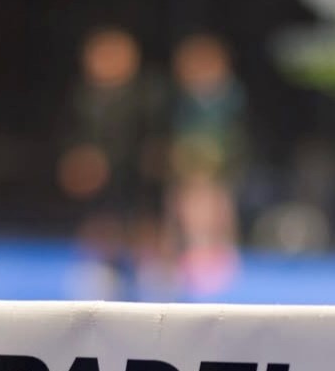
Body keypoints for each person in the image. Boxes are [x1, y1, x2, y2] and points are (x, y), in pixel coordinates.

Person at [56, 26, 167, 295]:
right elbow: (71, 136)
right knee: (101, 218)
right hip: (98, 178)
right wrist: (79, 161)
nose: (107, 62)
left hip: (138, 172)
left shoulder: (148, 94)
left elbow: (158, 136)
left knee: (145, 218)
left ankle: (150, 267)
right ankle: (102, 265)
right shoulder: (82, 97)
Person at [163, 33, 248, 291]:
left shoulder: (231, 96)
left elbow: (236, 135)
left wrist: (218, 158)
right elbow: (175, 130)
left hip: (220, 165)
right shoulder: (181, 98)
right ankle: (184, 258)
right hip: (187, 164)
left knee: (219, 209)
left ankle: (220, 259)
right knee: (183, 207)